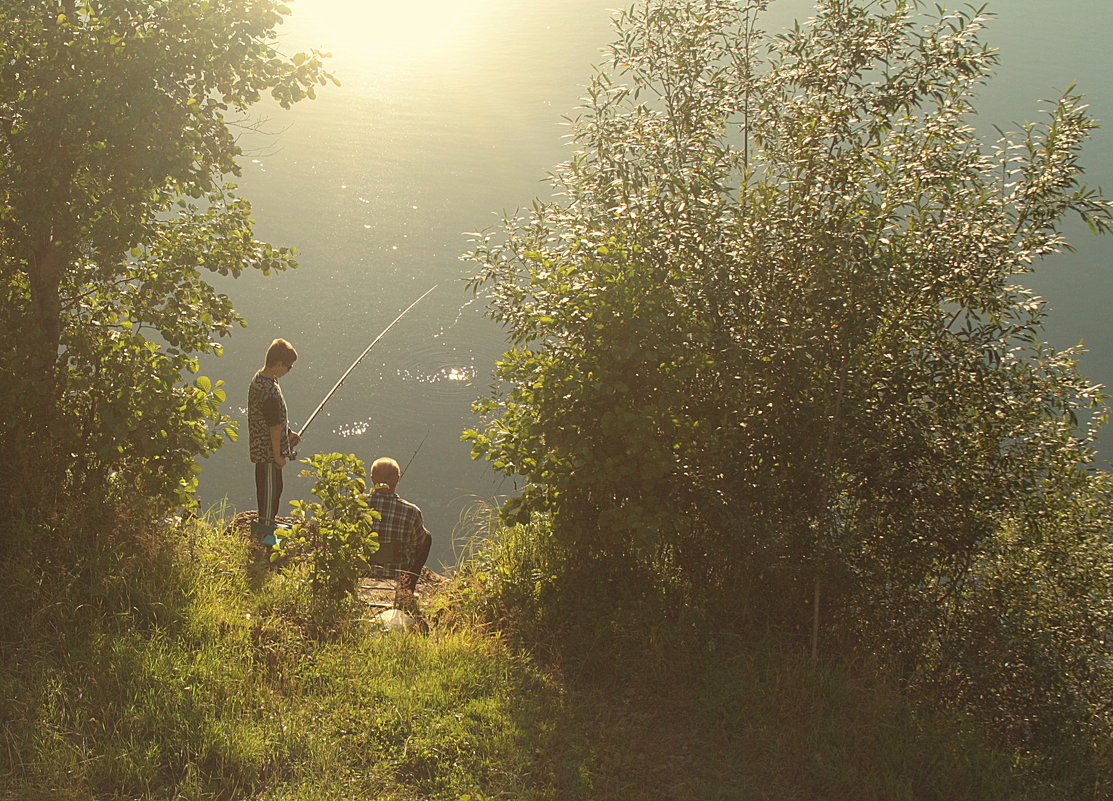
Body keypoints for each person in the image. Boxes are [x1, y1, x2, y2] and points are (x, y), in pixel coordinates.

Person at [248, 338, 301, 545]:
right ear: (278, 364)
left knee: (274, 490)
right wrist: (278, 455)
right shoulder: (268, 389)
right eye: (289, 366)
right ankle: (266, 541)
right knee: (269, 496)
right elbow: (273, 426)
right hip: (268, 453)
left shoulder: (264, 380)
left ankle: (267, 532)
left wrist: (288, 434)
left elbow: (274, 419)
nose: (289, 370)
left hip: (268, 448)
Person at [367, 457, 432, 595]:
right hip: (396, 574)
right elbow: (418, 544)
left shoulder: (355, 507)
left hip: (362, 571)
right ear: (397, 479)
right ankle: (407, 587)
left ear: (372, 479)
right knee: (427, 538)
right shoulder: (411, 512)